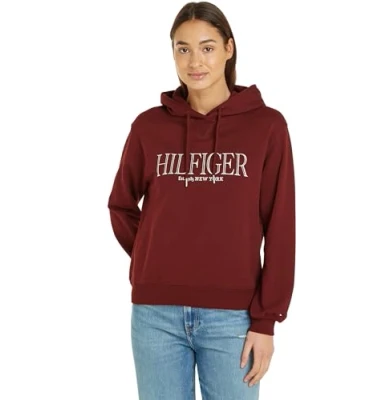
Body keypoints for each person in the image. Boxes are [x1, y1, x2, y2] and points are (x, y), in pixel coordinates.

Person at [107, 1, 296, 399]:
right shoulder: (148, 127)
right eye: (184, 48)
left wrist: (266, 320)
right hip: (155, 315)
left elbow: (280, 226)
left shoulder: (267, 126)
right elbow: (121, 204)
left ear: (229, 48)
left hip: (234, 318)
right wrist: (151, 256)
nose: (195, 61)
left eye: (207, 47)